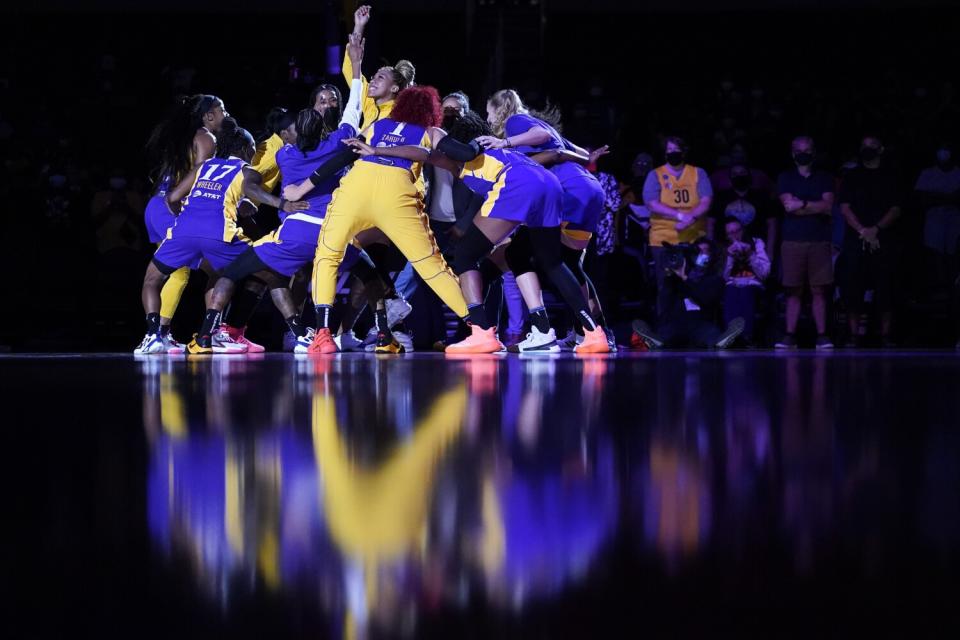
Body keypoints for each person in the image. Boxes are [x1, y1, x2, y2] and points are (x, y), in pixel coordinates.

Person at [346, 109, 612, 354]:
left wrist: (375, 150)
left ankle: (482, 332)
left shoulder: (459, 157)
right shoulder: (498, 151)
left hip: (518, 184)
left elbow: (421, 153)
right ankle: (593, 333)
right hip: (549, 186)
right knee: (552, 263)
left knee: (464, 255)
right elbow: (556, 151)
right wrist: (585, 156)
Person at [201, 35, 375, 354]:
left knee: (273, 272)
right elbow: (248, 177)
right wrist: (273, 201)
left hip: (328, 226)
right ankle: (279, 332)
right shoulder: (320, 142)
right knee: (274, 277)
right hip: (313, 227)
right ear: (308, 112)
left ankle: (350, 331)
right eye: (321, 101)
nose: (328, 104)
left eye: (332, 99)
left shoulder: (299, 149)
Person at [284, 86, 479, 354]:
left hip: (356, 190)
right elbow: (466, 154)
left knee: (327, 256)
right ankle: (479, 329)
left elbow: (343, 156)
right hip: (396, 196)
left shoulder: (378, 125)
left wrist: (301, 189)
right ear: (431, 111)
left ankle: (324, 335)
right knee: (430, 265)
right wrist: (482, 142)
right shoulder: (430, 131)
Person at [137, 118, 308, 355]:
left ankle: (154, 336)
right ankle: (300, 337)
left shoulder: (202, 166)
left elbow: (173, 198)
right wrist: (282, 203)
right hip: (219, 234)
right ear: (243, 149)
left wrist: (188, 218)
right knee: (273, 276)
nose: (253, 152)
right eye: (252, 148)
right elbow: (251, 190)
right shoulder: (246, 170)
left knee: (153, 280)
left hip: (183, 232)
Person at [136, 94, 228, 354]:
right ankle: (158, 334)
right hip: (170, 207)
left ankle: (164, 334)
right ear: (209, 115)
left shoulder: (189, 136)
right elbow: (198, 177)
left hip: (157, 205)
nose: (226, 116)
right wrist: (183, 209)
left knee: (194, 270)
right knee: (181, 271)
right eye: (222, 110)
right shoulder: (207, 138)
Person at [838, 135, 902, 347]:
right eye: (863, 146)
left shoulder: (890, 176)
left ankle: (886, 336)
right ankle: (853, 336)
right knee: (852, 286)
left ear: (881, 149)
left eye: (872, 146)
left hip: (883, 239)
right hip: (856, 239)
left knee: (886, 287)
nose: (867, 149)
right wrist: (863, 231)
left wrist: (875, 229)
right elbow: (845, 207)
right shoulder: (851, 176)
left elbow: (896, 208)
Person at [775, 136, 835, 350]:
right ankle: (790, 335)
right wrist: (814, 205)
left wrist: (803, 203)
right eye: (799, 150)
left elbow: (828, 206)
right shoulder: (785, 177)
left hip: (819, 240)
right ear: (793, 154)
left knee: (819, 290)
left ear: (813, 152)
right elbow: (788, 206)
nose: (803, 153)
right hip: (792, 240)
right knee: (793, 290)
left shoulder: (825, 178)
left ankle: (822, 335)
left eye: (807, 150)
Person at [642, 137, 714, 314]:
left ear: (684, 151)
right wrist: (680, 215)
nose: (672, 153)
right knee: (666, 285)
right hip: (664, 240)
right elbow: (651, 203)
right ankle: (666, 328)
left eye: (676, 149)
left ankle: (697, 326)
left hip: (694, 238)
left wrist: (690, 217)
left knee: (695, 282)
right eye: (669, 150)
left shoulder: (698, 173)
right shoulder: (655, 175)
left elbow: (706, 201)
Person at [631, 238, 744, 349]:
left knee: (711, 333)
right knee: (665, 332)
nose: (701, 255)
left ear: (712, 255)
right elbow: (664, 303)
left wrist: (685, 278)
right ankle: (656, 340)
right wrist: (671, 275)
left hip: (700, 323)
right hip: (676, 324)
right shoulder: (674, 279)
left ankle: (721, 341)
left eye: (706, 251)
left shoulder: (714, 279)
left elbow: (705, 299)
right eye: (698, 251)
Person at [711, 162, 777, 260]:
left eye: (742, 173)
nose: (739, 176)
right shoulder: (720, 197)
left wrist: (770, 252)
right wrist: (711, 249)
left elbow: (772, 224)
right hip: (727, 251)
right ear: (730, 178)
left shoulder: (762, 196)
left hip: (757, 250)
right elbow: (710, 223)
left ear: (749, 175)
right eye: (735, 174)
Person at [721, 216, 771, 345]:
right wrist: (730, 257)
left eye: (738, 231)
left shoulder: (756, 242)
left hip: (752, 284)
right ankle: (731, 336)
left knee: (746, 292)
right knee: (732, 292)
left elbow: (764, 273)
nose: (735, 235)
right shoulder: (724, 248)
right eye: (731, 233)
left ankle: (746, 336)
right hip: (732, 284)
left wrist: (750, 254)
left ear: (743, 230)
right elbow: (724, 277)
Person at [915, 143, 960, 281]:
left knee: (954, 253)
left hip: (956, 219)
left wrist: (936, 196)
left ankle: (953, 284)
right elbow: (922, 199)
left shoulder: (958, 172)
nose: (944, 152)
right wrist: (949, 197)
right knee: (935, 253)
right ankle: (939, 284)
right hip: (934, 220)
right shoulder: (927, 173)